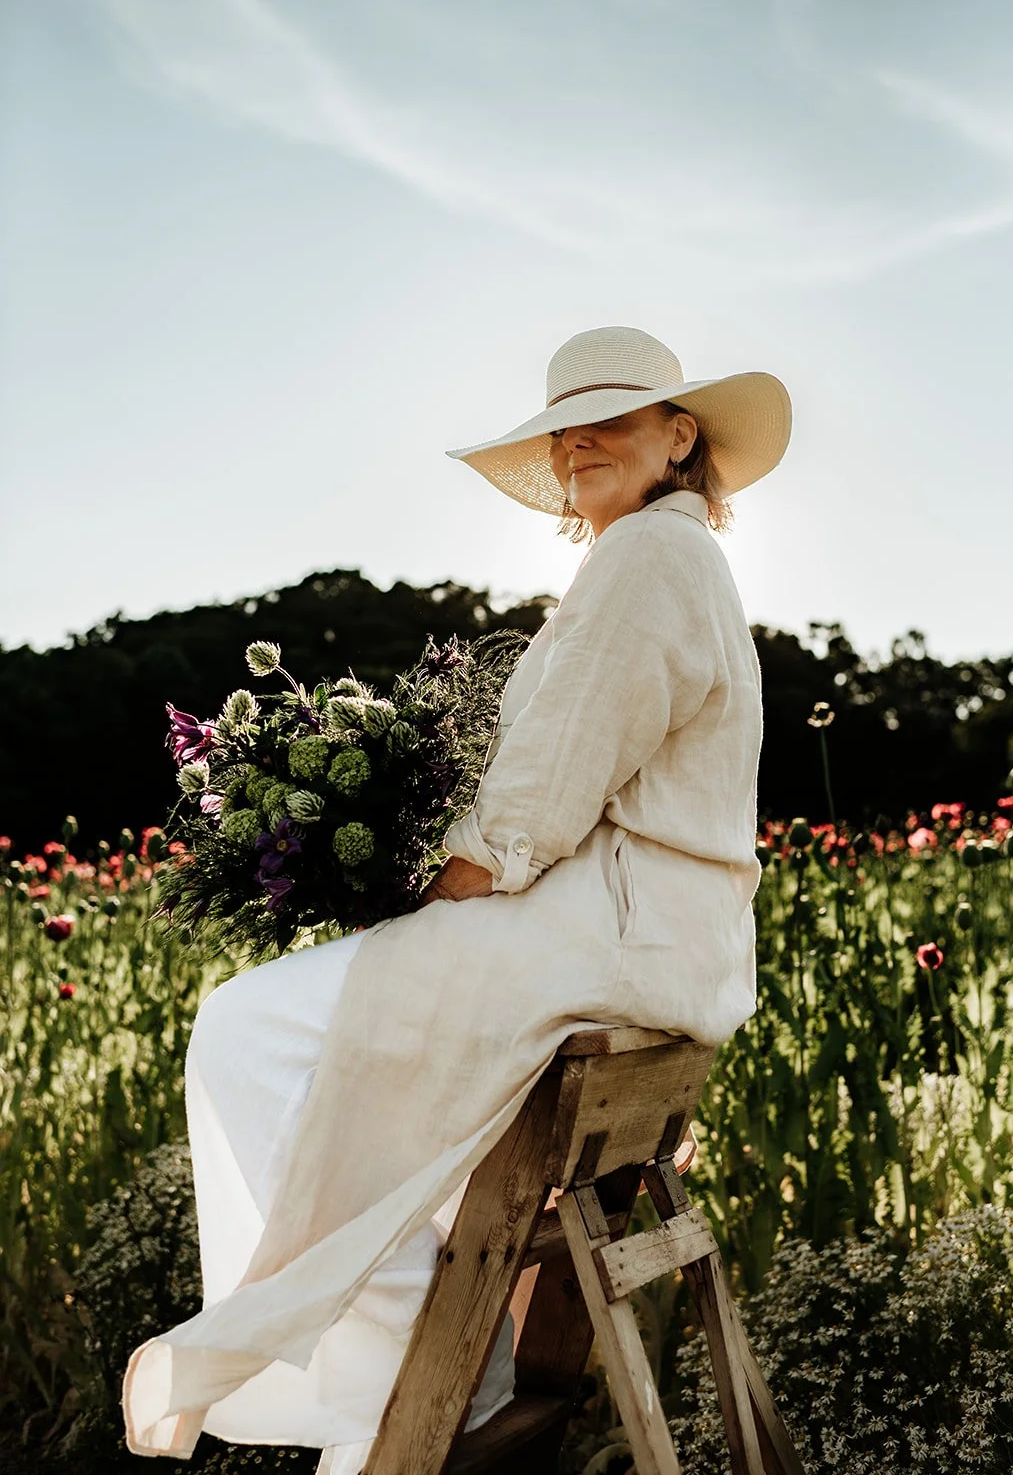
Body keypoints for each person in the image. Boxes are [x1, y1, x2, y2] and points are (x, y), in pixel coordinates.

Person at [122, 324, 792, 1472]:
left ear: (680, 435)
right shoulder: (658, 557)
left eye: (613, 419)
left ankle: (391, 1367)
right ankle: (399, 1344)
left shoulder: (650, 557)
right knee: (341, 1033)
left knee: (250, 1023)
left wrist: (443, 887)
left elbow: (551, 780)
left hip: (612, 921)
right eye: (564, 425)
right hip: (647, 926)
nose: (580, 440)